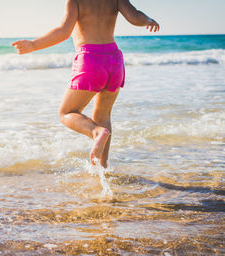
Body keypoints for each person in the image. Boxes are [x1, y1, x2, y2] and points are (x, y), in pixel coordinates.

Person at [12, 0, 159, 168]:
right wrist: (147, 20)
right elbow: (134, 17)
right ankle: (103, 167)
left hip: (90, 60)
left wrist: (33, 44)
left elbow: (64, 31)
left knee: (66, 112)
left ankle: (96, 132)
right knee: (103, 116)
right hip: (115, 61)